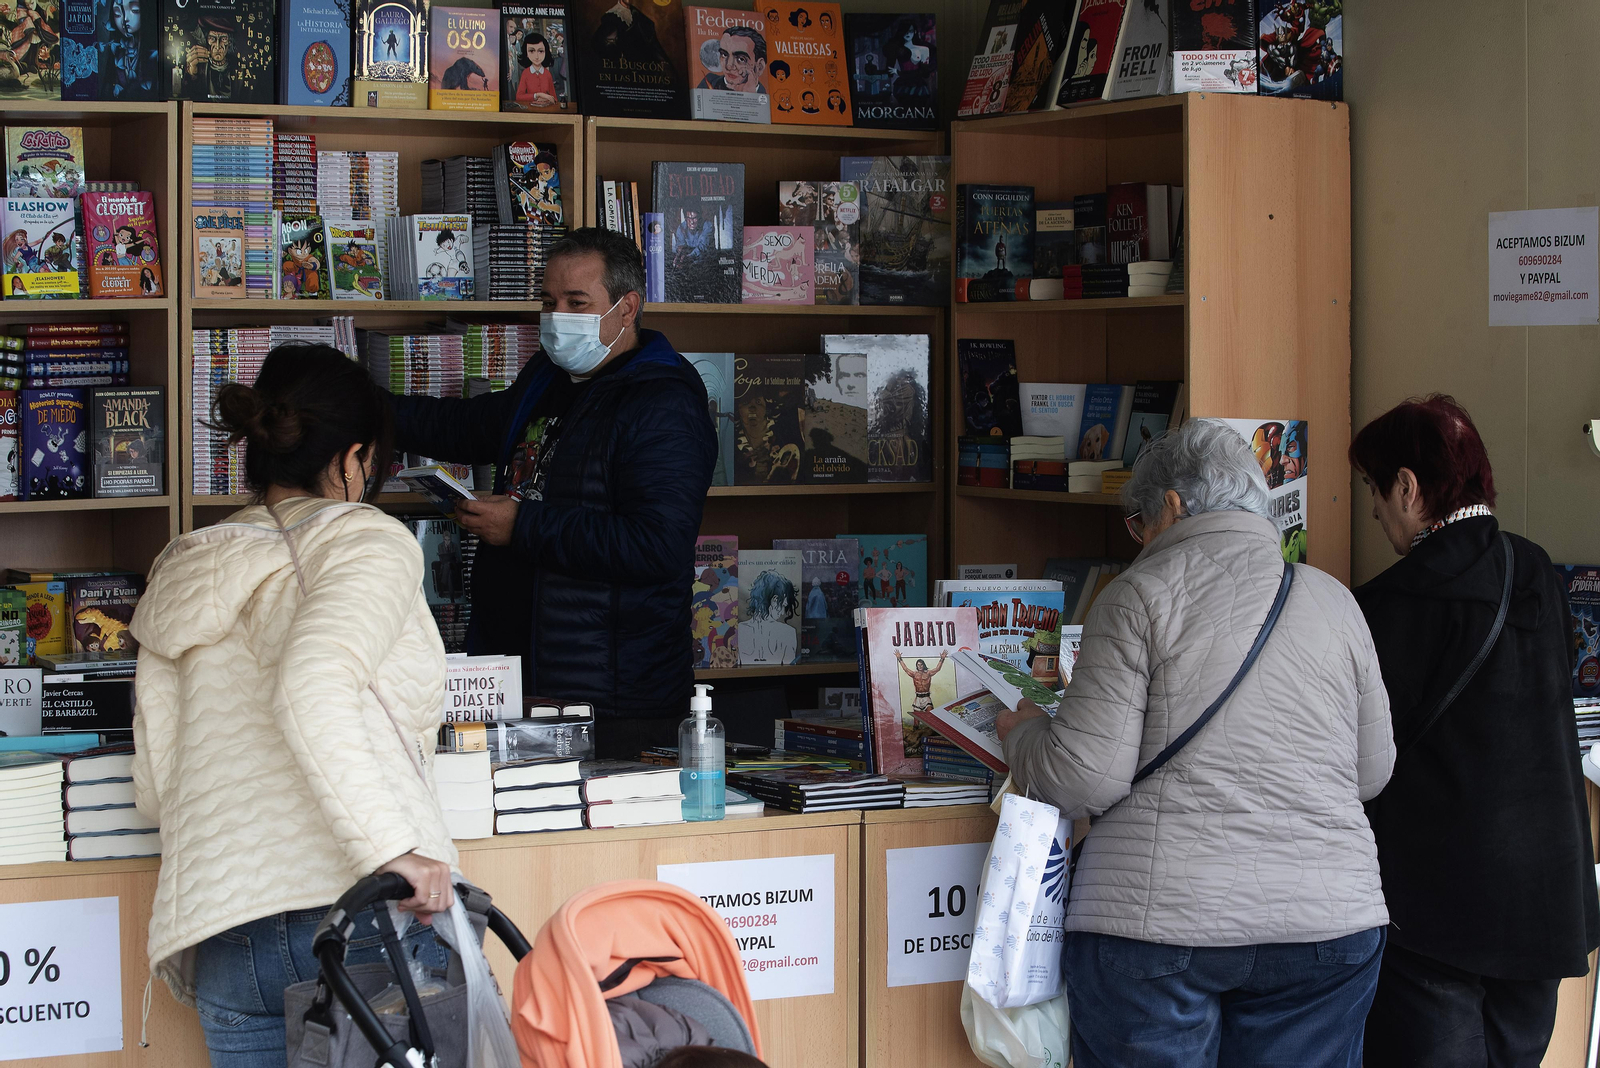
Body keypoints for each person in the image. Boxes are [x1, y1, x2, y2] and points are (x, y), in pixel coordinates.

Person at [997, 418, 1394, 1068]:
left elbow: (1084, 777)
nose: (1138, 539)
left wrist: (1024, 737)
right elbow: (1372, 771)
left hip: (1157, 930)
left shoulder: (1135, 598)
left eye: (1137, 522)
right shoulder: (1335, 602)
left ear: (1173, 507)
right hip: (1328, 927)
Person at [129, 344, 457, 1068]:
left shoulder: (184, 564)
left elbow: (156, 782)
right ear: (354, 458)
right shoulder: (366, 543)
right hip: (357, 906)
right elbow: (312, 680)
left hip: (223, 926)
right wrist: (389, 849)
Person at [391, 228, 716, 758]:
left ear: (627, 307)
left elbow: (657, 545)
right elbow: (474, 425)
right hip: (523, 679)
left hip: (614, 701)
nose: (557, 315)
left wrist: (523, 525)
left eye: (576, 302)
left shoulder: (664, 406)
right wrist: (371, 410)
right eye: (548, 301)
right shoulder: (552, 375)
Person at [1349, 395, 1600, 1068]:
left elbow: (1362, 753)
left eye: (1375, 488)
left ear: (1408, 487)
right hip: (1545, 900)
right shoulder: (1538, 573)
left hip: (1436, 910)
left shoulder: (1388, 604)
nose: (1374, 509)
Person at [515, 31, 558, 107]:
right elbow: (519, 97)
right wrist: (537, 95)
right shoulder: (526, 73)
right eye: (531, 51)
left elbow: (554, 98)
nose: (537, 56)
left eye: (540, 51)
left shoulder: (547, 73)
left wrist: (547, 99)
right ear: (526, 54)